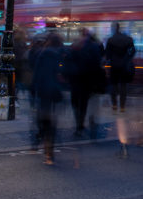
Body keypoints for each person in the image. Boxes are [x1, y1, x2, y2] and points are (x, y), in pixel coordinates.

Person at [65, 28, 106, 139]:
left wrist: (69, 75)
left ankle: (79, 125)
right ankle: (86, 124)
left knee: (76, 103)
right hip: (88, 79)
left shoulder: (74, 45)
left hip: (75, 79)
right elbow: (97, 63)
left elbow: (67, 62)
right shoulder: (93, 46)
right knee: (84, 103)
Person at [31, 32, 65, 165]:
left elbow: (37, 73)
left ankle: (42, 142)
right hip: (54, 91)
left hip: (43, 90)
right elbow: (62, 73)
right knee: (52, 121)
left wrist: (34, 90)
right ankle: (49, 151)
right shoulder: (60, 55)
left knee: (43, 118)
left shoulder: (42, 54)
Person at [105, 23, 136, 112]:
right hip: (124, 66)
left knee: (113, 86)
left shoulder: (110, 40)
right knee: (123, 86)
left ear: (113, 28)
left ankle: (114, 105)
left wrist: (110, 60)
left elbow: (107, 54)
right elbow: (133, 51)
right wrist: (127, 59)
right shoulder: (128, 39)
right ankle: (122, 106)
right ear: (119, 28)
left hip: (114, 66)